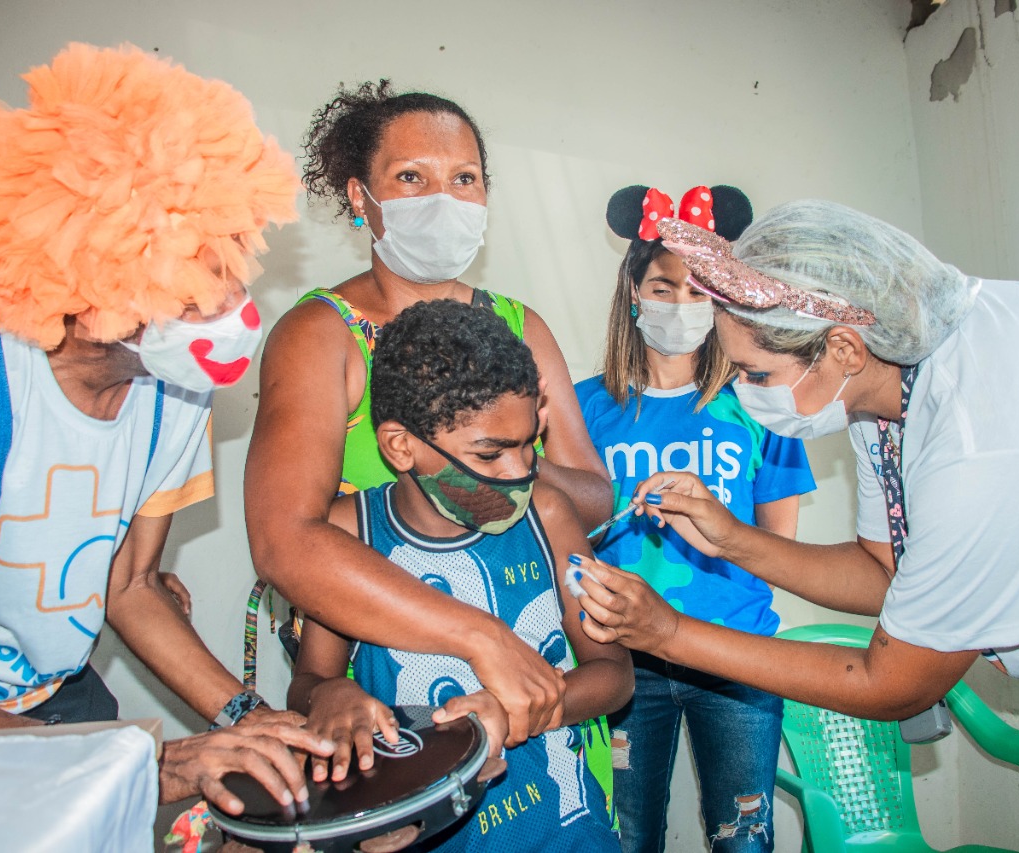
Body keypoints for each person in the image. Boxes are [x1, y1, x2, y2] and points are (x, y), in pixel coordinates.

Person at [573, 199, 1019, 852]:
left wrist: (671, 631)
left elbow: (894, 684)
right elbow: (885, 574)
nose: (741, 387)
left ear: (843, 346)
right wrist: (730, 536)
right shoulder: (883, 390)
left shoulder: (985, 427)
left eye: (755, 373)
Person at [0, 43, 334, 817]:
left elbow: (130, 586)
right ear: (97, 271)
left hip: (61, 702)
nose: (233, 311)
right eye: (196, 283)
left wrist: (254, 722)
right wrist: (130, 764)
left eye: (229, 267)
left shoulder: (174, 393)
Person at [246, 80, 612, 746]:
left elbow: (593, 498)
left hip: (535, 675)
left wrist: (499, 457)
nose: (444, 199)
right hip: (385, 689)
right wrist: (476, 636)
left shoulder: (519, 327)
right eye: (412, 177)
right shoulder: (321, 334)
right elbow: (283, 541)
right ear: (362, 198)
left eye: (464, 178)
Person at [287, 299, 631, 851]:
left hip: (567, 831)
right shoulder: (348, 537)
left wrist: (532, 710)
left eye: (527, 446)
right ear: (402, 447)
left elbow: (614, 673)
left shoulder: (549, 514)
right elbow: (309, 681)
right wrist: (331, 695)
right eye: (490, 454)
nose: (518, 473)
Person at [576, 185, 814, 852]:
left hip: (740, 657)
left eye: (698, 289)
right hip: (623, 661)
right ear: (633, 293)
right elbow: (562, 533)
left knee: (745, 840)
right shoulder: (579, 407)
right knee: (624, 838)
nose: (681, 304)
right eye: (663, 285)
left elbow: (779, 549)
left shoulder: (764, 402)